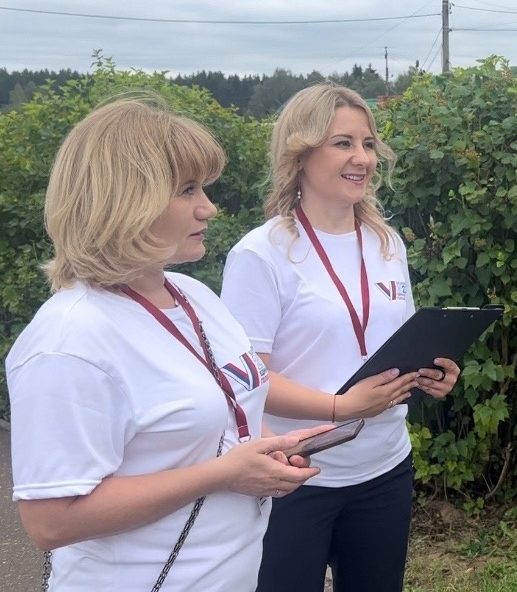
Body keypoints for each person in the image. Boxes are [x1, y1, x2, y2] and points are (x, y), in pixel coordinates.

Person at [5, 98, 327, 591]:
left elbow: (230, 408)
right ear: (124, 201)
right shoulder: (69, 341)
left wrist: (269, 451)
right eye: (187, 190)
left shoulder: (194, 295)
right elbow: (50, 521)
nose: (209, 208)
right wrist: (222, 475)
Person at [220, 83, 461, 592]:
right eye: (343, 143)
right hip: (296, 474)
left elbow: (400, 341)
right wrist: (340, 407)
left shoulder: (385, 242)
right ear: (300, 154)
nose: (362, 158)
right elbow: (245, 380)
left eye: (368, 144)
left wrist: (432, 372)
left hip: (384, 467)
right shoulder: (261, 253)